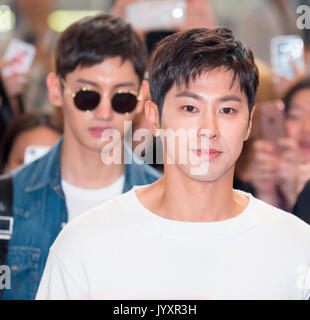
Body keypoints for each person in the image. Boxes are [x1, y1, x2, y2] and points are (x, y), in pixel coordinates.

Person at [37, 27, 310, 300]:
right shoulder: (84, 245)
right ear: (154, 118)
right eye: (190, 108)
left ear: (249, 122)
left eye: (227, 110)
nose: (209, 129)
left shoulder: (297, 245)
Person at [0, 14, 161, 300]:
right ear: (55, 90)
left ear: (141, 97)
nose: (104, 112)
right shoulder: (7, 199)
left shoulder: (168, 201)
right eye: (87, 96)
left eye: (121, 97)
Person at [244, 77, 310, 211]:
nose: (306, 127)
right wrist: (267, 193)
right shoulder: (268, 176)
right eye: (295, 116)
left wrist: (296, 194)